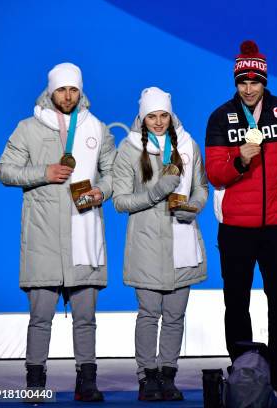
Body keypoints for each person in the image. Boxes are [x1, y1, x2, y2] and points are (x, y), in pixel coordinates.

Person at [0, 62, 114, 402]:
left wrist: (100, 192)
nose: (68, 95)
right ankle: (35, 382)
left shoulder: (97, 128)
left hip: (84, 235)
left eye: (73, 89)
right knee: (40, 318)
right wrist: (43, 172)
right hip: (43, 238)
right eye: (62, 89)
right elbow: (5, 170)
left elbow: (112, 175)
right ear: (51, 91)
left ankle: (87, 380)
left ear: (81, 91)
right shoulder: (28, 128)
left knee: (85, 319)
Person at [204, 40, 277, 400]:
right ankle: (243, 374)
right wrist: (239, 161)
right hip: (235, 229)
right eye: (242, 82)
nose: (248, 89)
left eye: (255, 81)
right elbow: (215, 174)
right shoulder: (221, 117)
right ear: (236, 83)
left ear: (264, 81)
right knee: (236, 303)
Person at [113, 87, 208, 401]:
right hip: (147, 246)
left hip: (183, 242)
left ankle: (168, 375)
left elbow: (201, 188)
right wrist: (157, 191)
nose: (158, 121)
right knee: (149, 314)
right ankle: (147, 377)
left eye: (163, 115)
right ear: (142, 117)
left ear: (171, 115)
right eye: (151, 116)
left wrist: (192, 207)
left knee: (175, 316)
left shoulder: (188, 145)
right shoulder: (128, 150)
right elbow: (121, 201)